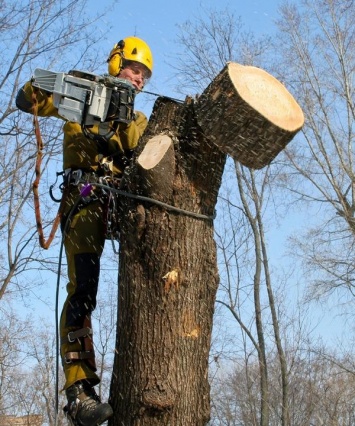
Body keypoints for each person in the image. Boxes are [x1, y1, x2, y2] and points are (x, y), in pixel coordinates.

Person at [16, 36, 154, 426]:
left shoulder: (138, 119)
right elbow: (28, 100)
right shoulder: (82, 99)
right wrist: (60, 86)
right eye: (134, 69)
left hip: (126, 207)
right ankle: (79, 392)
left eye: (144, 75)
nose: (139, 80)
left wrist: (117, 125)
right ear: (116, 63)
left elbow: (139, 150)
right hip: (86, 198)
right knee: (83, 291)